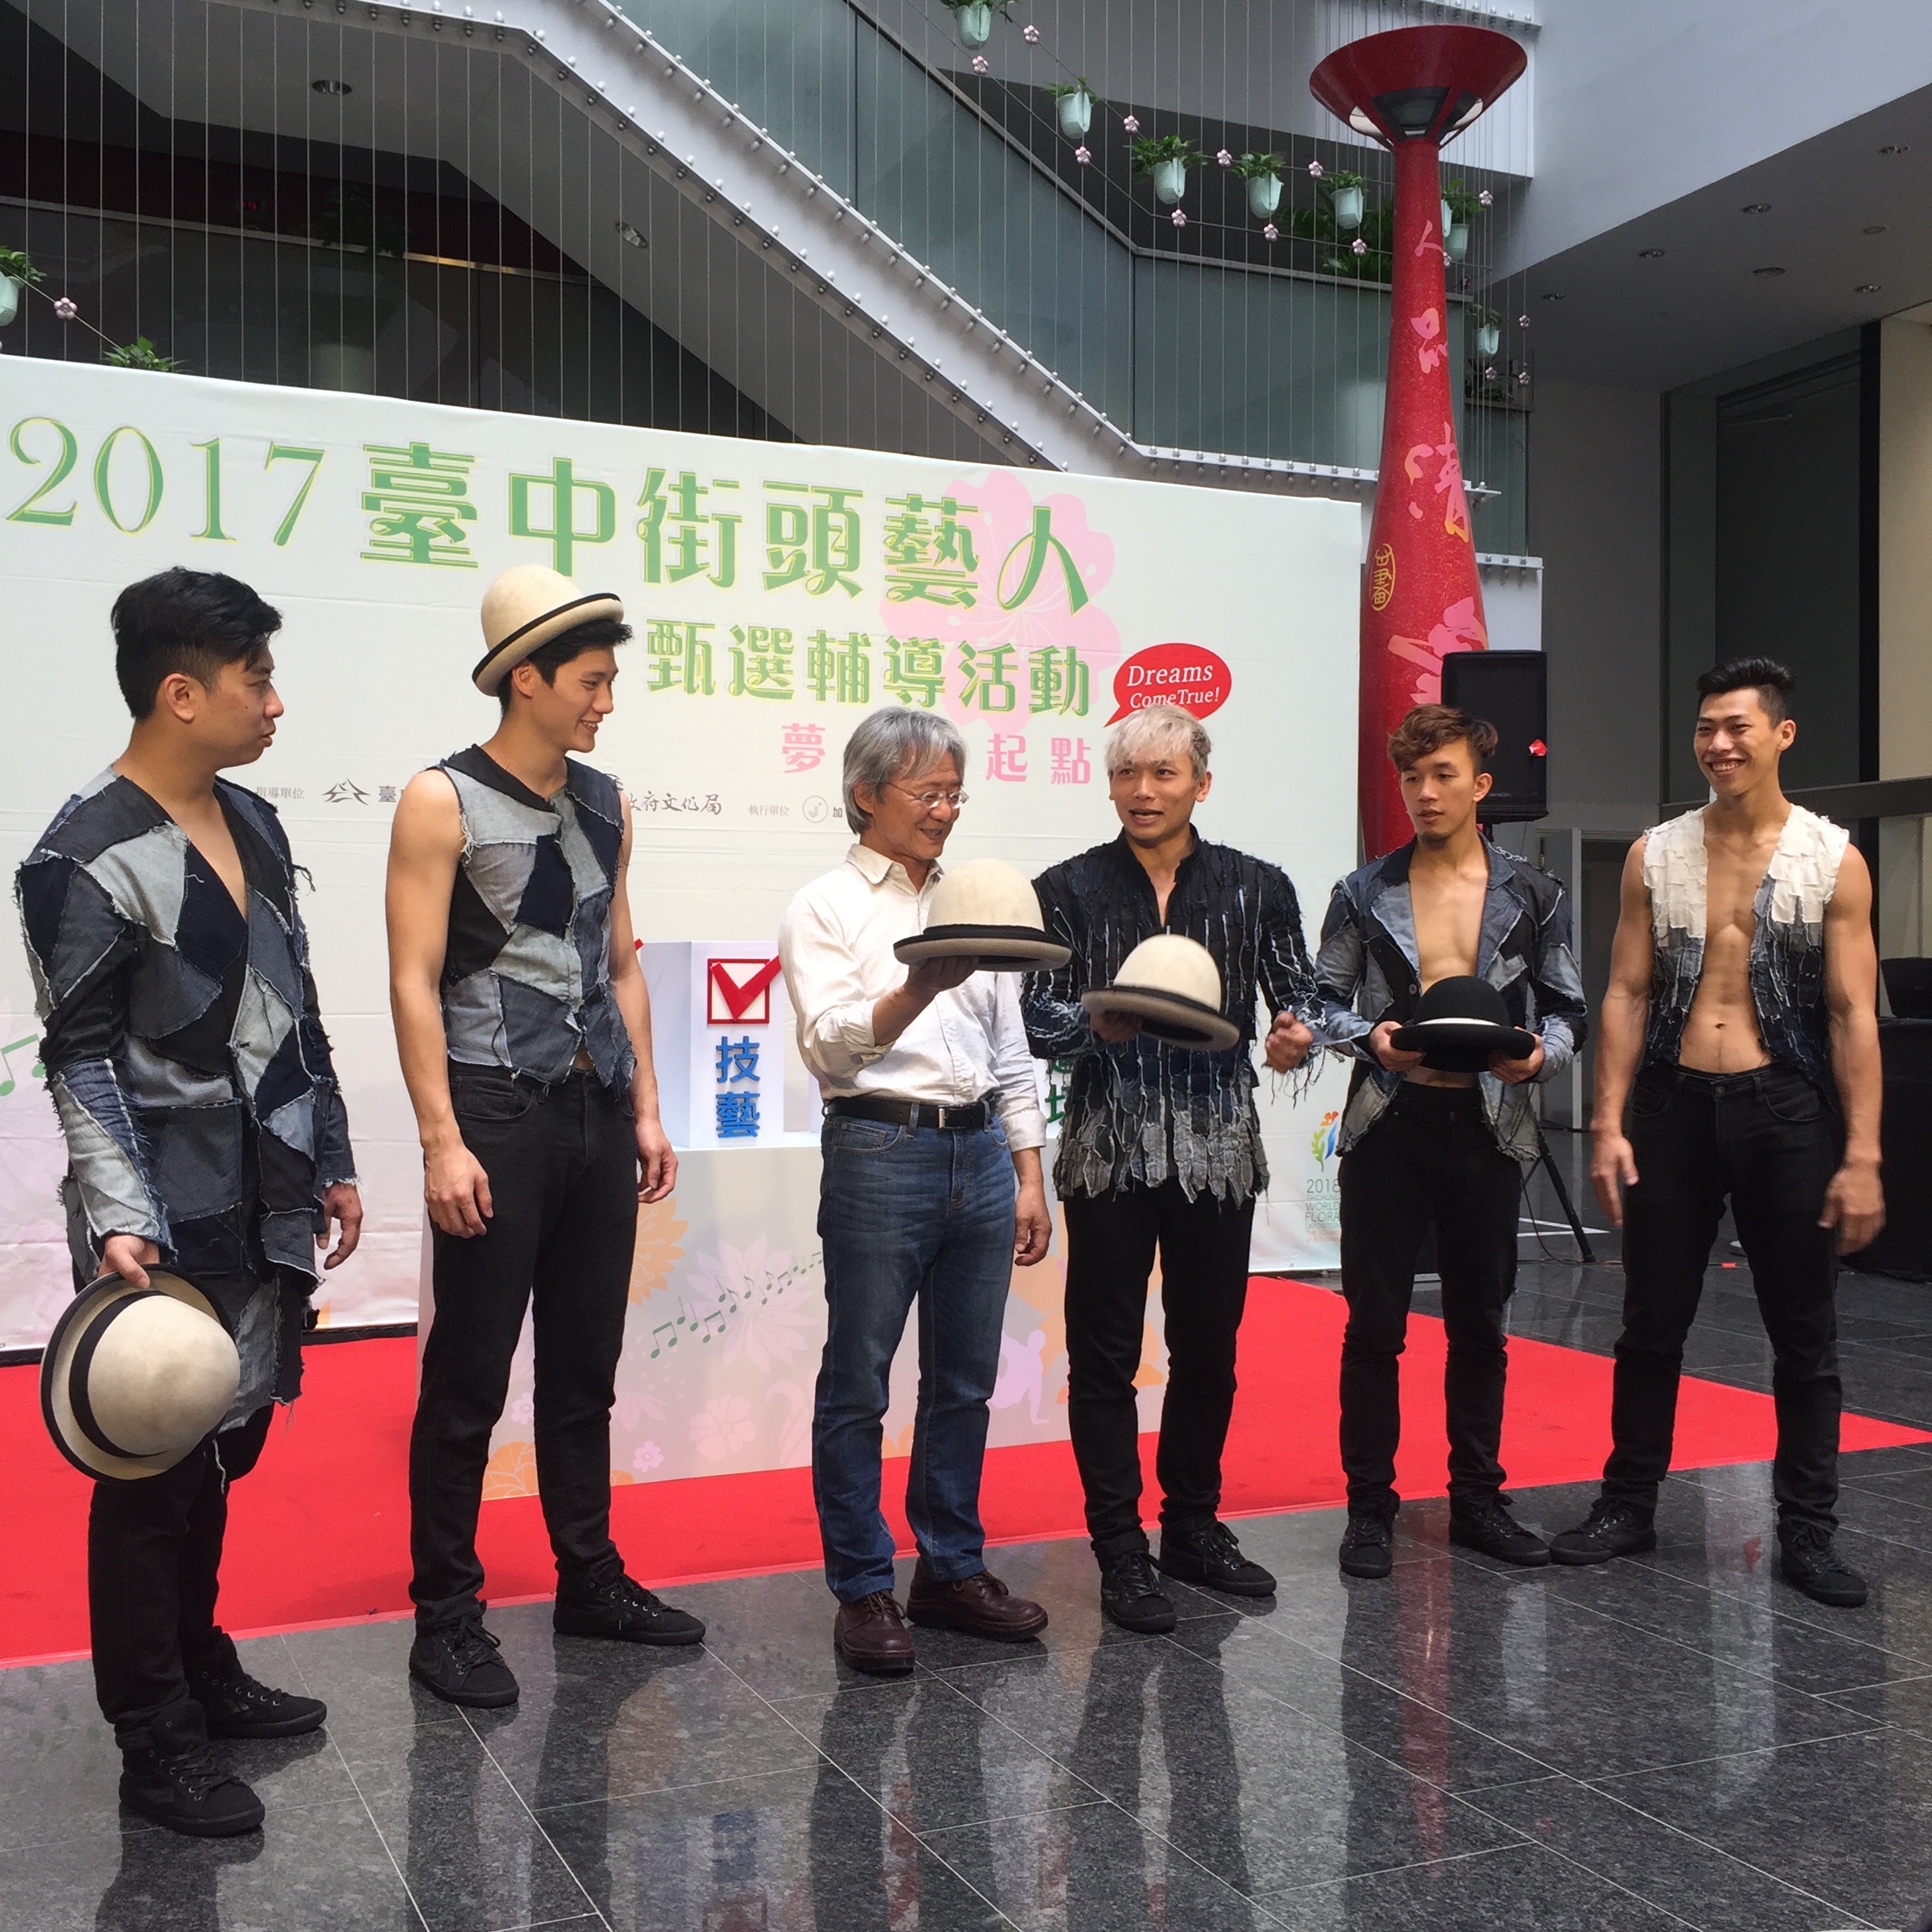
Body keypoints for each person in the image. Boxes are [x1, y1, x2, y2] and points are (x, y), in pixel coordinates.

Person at [17, 567, 363, 1837]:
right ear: (181, 692)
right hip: (159, 1218)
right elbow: (78, 1055)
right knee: (153, 1465)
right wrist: (123, 1216)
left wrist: (333, 1155)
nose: (275, 703)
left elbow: (298, 1010)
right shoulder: (81, 857)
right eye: (255, 680)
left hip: (268, 1194)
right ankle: (152, 1738)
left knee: (228, 1443)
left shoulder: (254, 822)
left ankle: (200, 1661)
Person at [387, 564, 702, 1709]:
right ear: (525, 679)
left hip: (595, 1110)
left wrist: (648, 1106)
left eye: (610, 682)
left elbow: (621, 962)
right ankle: (446, 1615)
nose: (605, 701)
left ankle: (589, 1577)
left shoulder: (608, 802)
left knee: (584, 1369)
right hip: (493, 1113)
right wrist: (441, 1139)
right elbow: (413, 979)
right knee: (468, 1377)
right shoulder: (442, 799)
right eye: (589, 682)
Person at [1552, 658, 1885, 1604]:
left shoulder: (1832, 858)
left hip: (1787, 1107)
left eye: (1738, 727)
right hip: (1673, 1104)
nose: (1719, 744)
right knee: (1650, 1322)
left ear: (1782, 735)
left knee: (1804, 1333)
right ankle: (1627, 1504)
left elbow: (1853, 1014)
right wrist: (1607, 1122)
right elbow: (1625, 991)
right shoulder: (1655, 854)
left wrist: (1863, 1154)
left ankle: (1809, 1533)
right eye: (1706, 728)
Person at [1021, 702, 1319, 1634]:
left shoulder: (1258, 886)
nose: (1143, 792)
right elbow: (1034, 1020)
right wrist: (1092, 1023)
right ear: (1109, 784)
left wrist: (1296, 1036)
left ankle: (1192, 1526)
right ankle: (1119, 1549)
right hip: (1106, 1148)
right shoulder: (1064, 888)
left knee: (1209, 1350)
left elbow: (1303, 996)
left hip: (1217, 1149)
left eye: (1163, 773)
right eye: (1127, 774)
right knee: (1105, 1357)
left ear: (1201, 782)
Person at [777, 708, 1053, 1674]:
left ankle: (950, 1570)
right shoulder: (823, 906)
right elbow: (829, 1048)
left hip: (982, 1155)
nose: (945, 810)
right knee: (858, 1381)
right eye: (927, 792)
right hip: (878, 1147)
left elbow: (1011, 1052)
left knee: (965, 1382)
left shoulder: (970, 898)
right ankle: (863, 1587)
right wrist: (919, 985)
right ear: (866, 794)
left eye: (954, 794)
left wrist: (1029, 1171)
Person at [1316, 704, 1586, 1580]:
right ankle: (1369, 1509)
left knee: (1482, 1327)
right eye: (1412, 777)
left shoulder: (1532, 893)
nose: (1426, 793)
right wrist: (1370, 1039)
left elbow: (1569, 1008)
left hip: (1489, 1130)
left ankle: (1477, 1500)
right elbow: (1321, 1001)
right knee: (1374, 1328)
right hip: (1388, 1127)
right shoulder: (1364, 891)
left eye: (1443, 775)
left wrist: (1540, 1057)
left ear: (1481, 785)